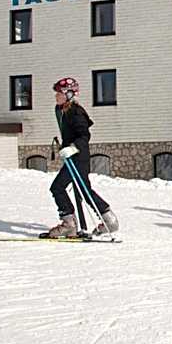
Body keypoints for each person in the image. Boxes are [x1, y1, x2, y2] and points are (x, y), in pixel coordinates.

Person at [45, 77, 120, 238]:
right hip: (74, 157)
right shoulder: (62, 110)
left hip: (78, 157)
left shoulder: (76, 111)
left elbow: (84, 135)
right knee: (84, 191)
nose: (56, 96)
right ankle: (108, 220)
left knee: (58, 187)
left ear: (69, 94)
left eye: (59, 93)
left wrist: (73, 147)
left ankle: (69, 224)